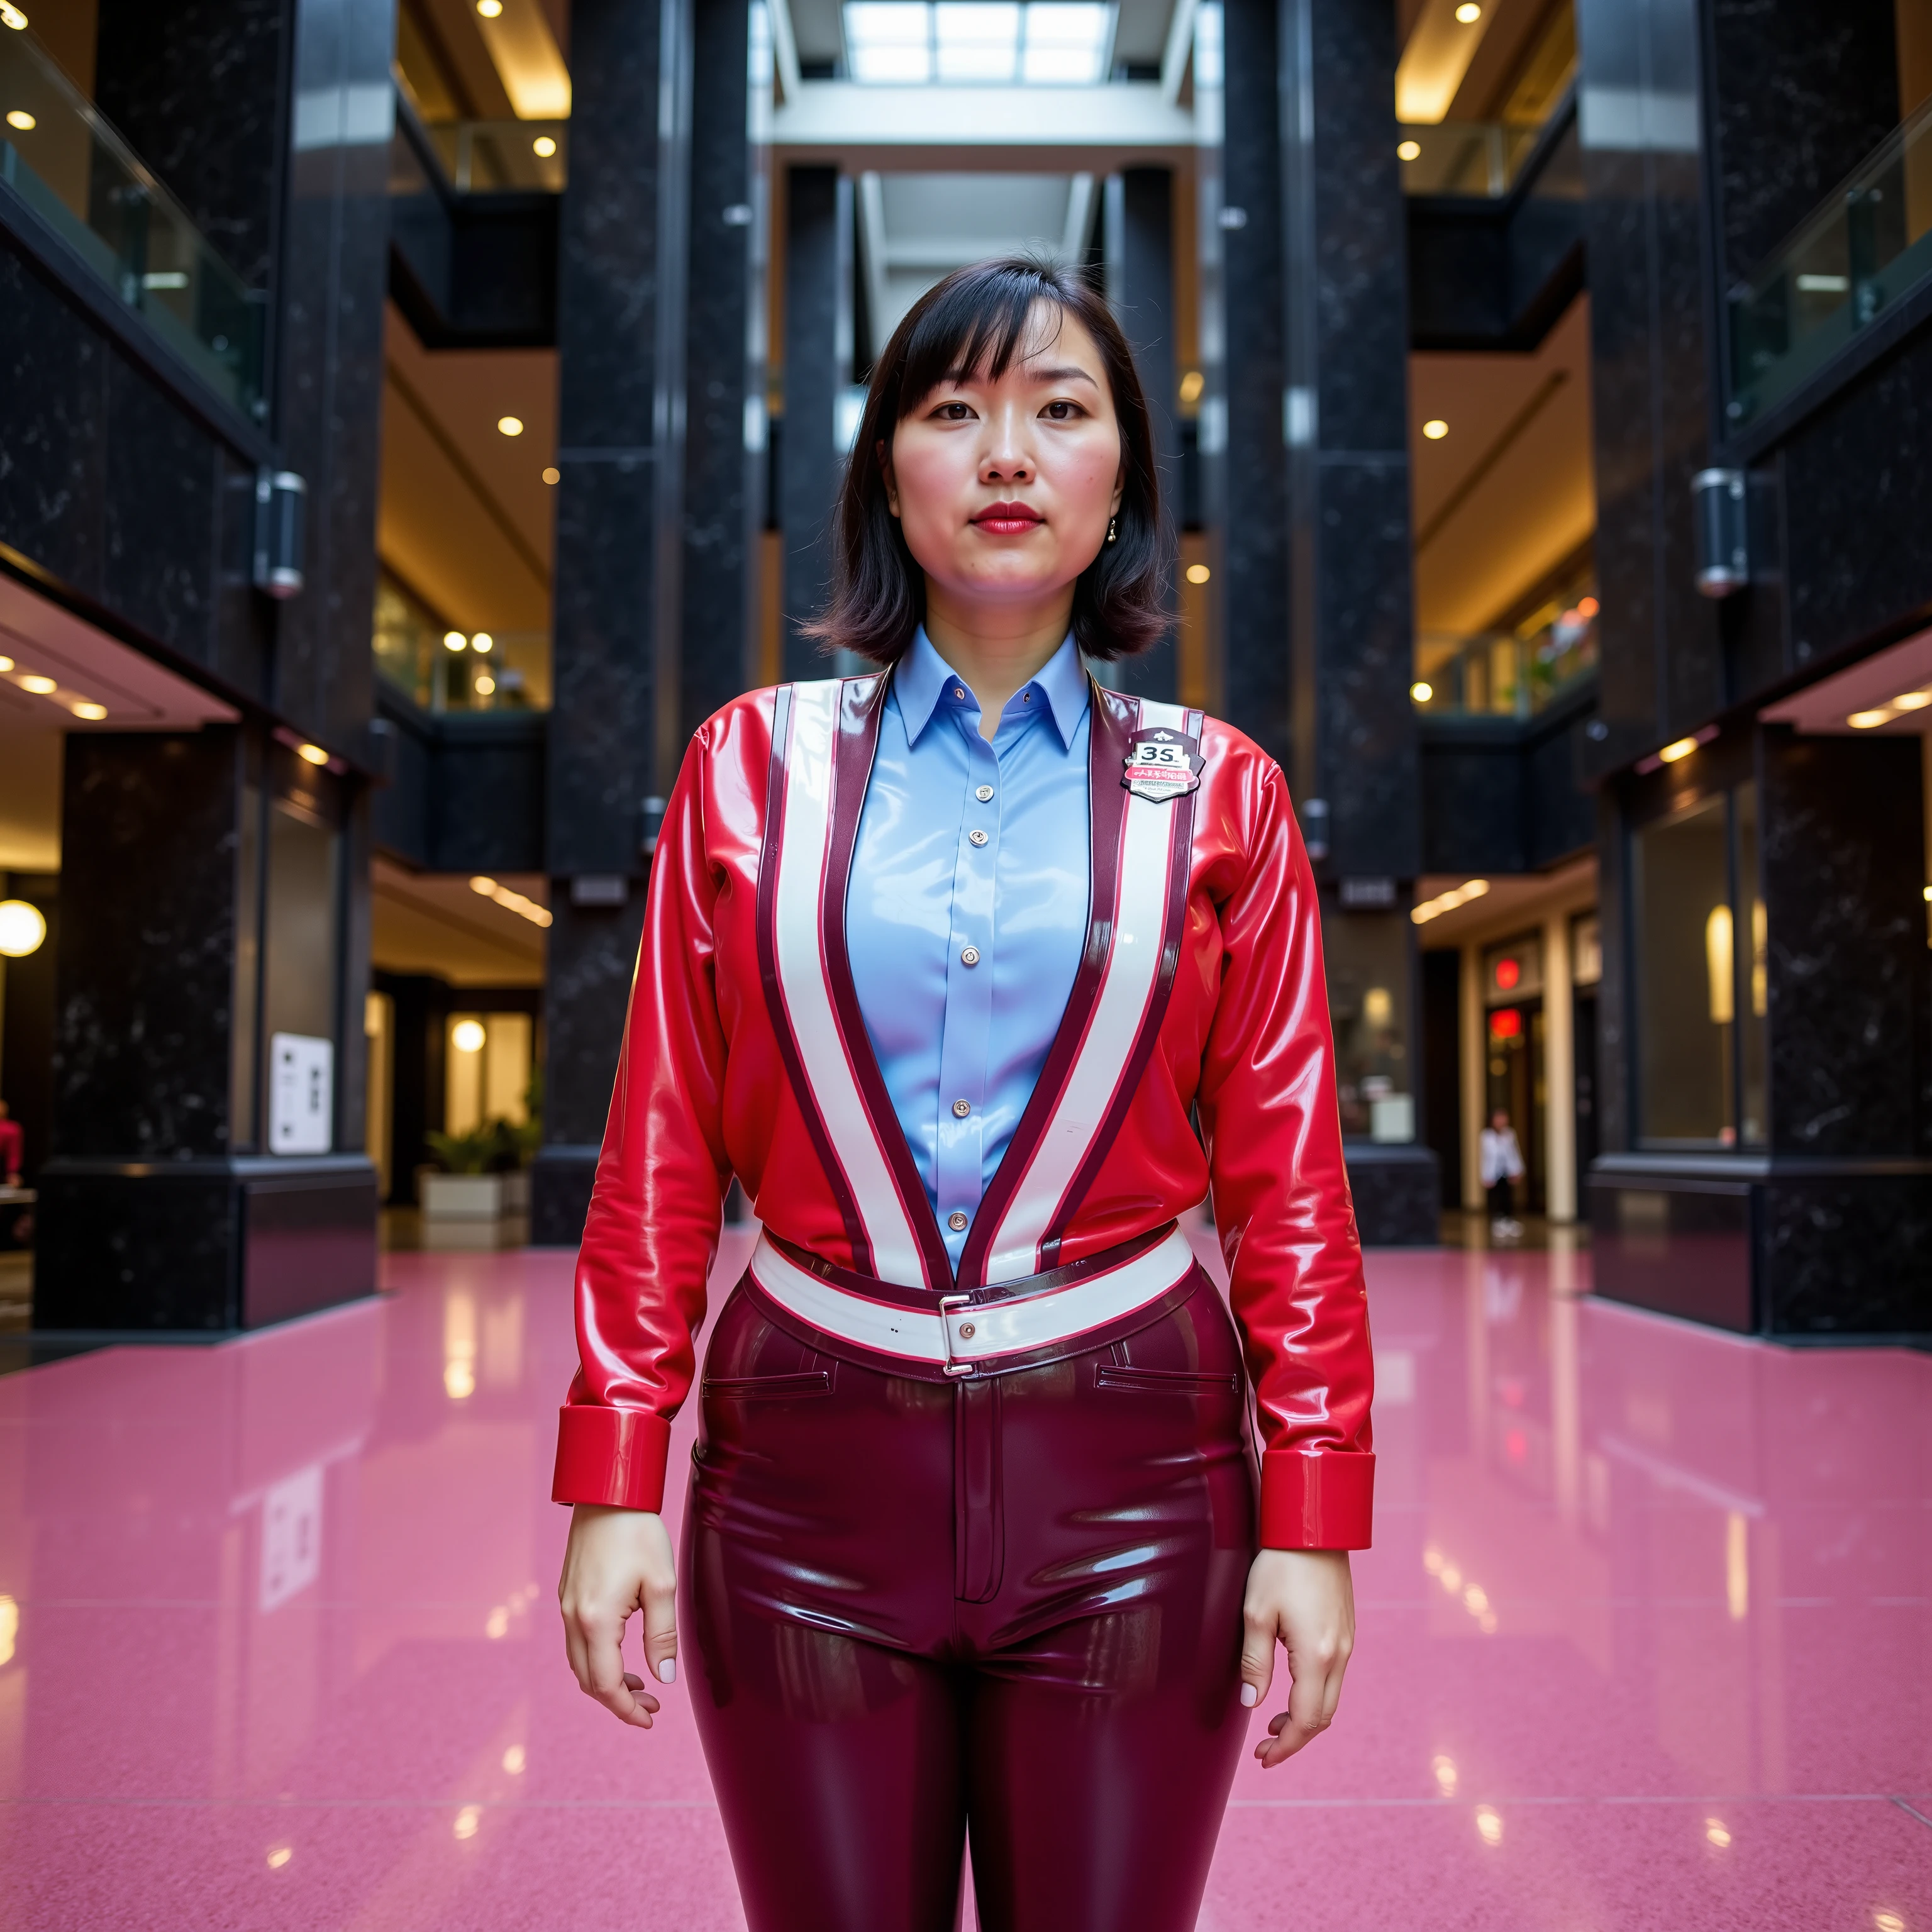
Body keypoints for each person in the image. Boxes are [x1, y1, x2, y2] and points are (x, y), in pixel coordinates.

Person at [552, 257, 1374, 1932]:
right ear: (888, 475)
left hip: (1143, 1486)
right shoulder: (746, 764)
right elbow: (658, 1141)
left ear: (1122, 477)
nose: (1009, 453)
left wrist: (1317, 1514)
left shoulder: (1225, 797)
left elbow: (1288, 1182)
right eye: (955, 411)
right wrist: (612, 1478)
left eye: (1060, 411)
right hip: (795, 1492)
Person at [1480, 1108, 1526, 1240]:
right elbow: (1485, 1158)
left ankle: (1509, 1221)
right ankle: (1498, 1222)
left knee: (1508, 1197)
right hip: (1494, 1173)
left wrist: (1518, 1170)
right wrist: (1485, 1176)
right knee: (1496, 1197)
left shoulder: (1510, 1134)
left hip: (1507, 1171)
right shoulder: (1486, 1136)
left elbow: (1514, 1154)